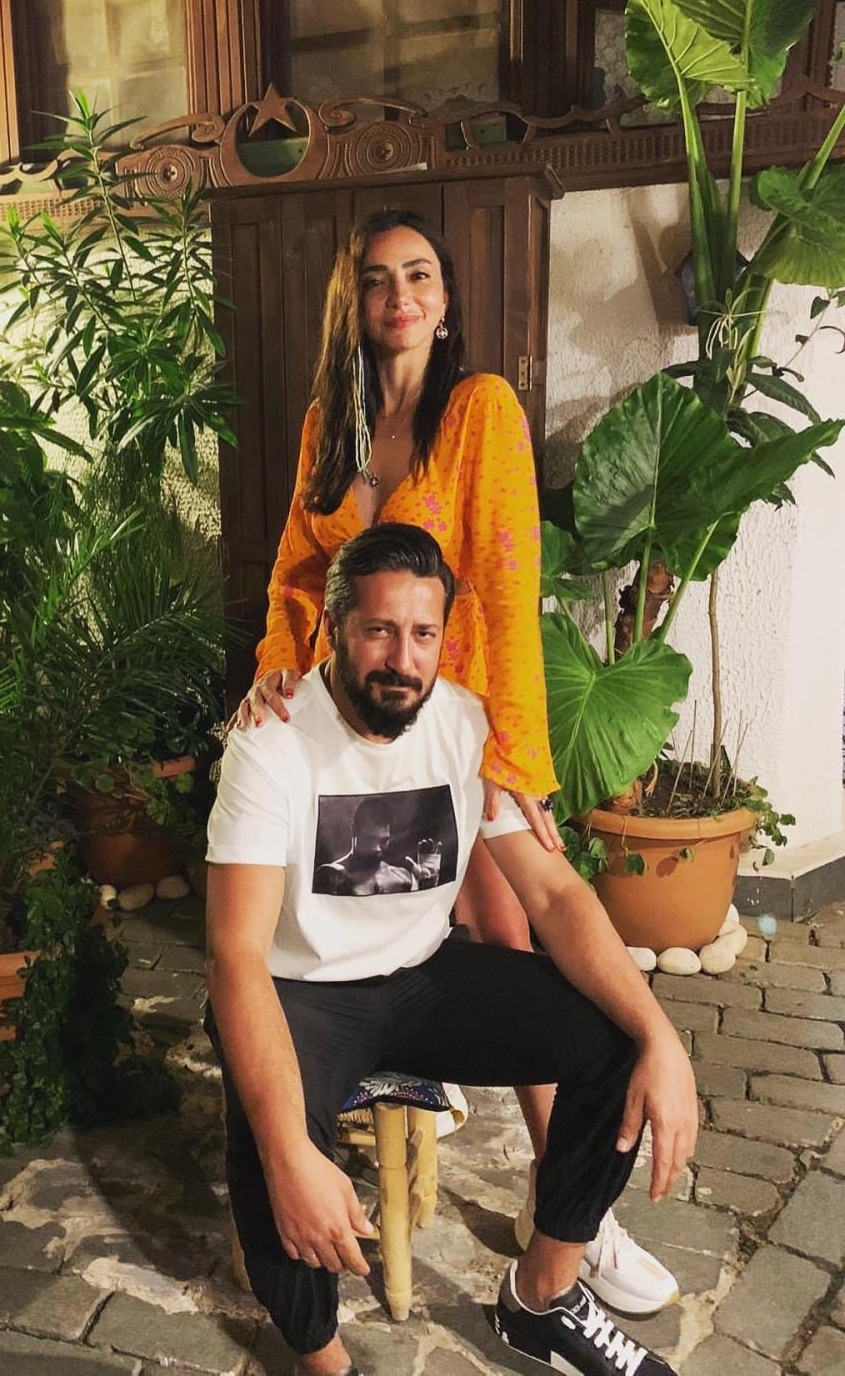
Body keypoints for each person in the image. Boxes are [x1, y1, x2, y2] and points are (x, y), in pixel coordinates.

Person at [234, 208, 677, 1313]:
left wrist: (513, 755)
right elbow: (297, 573)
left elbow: (510, 583)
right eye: (379, 280)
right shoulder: (328, 423)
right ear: (354, 302)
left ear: (445, 301)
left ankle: (569, 1207)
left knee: (509, 930)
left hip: (456, 722)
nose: (400, 297)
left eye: (420, 276)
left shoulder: (479, 410)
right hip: (353, 721)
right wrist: (278, 671)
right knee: (375, 916)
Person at [206, 524, 698, 1376]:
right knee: (269, 1147)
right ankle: (324, 1359)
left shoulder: (467, 728)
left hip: (422, 976)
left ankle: (542, 1298)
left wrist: (663, 1036)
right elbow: (235, 955)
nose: (402, 659)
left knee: (617, 1041)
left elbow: (556, 895)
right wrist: (291, 1155)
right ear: (334, 629)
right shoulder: (272, 741)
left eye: (423, 634)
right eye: (379, 631)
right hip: (300, 990)